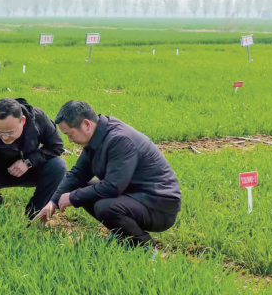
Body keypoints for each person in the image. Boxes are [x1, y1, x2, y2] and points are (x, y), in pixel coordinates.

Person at [33, 100, 181, 247]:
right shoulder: (96, 137)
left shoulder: (119, 140)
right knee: (83, 188)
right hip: (135, 194)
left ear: (86, 125)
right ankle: (122, 234)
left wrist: (72, 197)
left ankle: (144, 247)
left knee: (105, 207)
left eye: (70, 134)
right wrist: (53, 202)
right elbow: (77, 174)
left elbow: (113, 186)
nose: (70, 140)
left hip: (159, 205)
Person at [0, 98, 66, 218]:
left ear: (22, 121)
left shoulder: (38, 119)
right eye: (0, 133)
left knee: (58, 167)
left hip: (30, 169)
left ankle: (35, 214)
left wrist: (28, 162)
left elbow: (56, 146)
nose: (5, 138)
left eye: (10, 132)